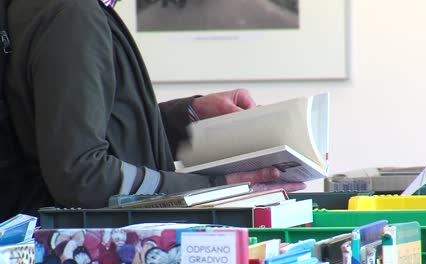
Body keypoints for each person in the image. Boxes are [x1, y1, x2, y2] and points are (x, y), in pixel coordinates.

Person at [4, 0, 305, 219]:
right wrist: (217, 187)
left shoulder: (53, 9)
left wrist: (190, 115)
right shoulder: (73, 15)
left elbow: (89, 132)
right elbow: (84, 176)